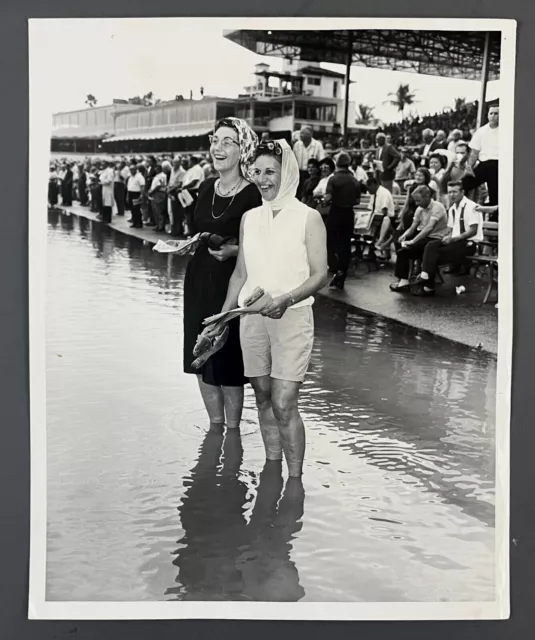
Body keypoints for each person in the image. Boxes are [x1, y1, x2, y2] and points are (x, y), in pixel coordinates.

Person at [220, 138, 329, 477]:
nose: (263, 179)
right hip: (251, 319)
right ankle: (272, 472)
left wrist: (286, 300)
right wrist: (222, 318)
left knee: (284, 402)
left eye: (271, 171)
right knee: (263, 397)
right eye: (257, 171)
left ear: (288, 173)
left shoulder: (308, 218)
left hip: (292, 316)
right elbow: (241, 273)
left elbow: (321, 274)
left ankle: (295, 481)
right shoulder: (250, 218)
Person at [183, 117, 261, 432]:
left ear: (243, 149)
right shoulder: (204, 187)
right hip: (199, 278)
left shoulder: (254, 194)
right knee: (199, 353)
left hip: (234, 282)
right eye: (215, 140)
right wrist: (190, 244)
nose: (218, 147)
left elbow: (264, 245)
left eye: (227, 141)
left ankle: (233, 431)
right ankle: (215, 428)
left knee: (228, 362)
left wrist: (235, 251)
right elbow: (199, 229)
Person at [411, 181, 483, 296]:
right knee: (431, 245)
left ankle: (427, 285)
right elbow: (451, 230)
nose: (451, 195)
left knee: (433, 255)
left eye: (454, 192)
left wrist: (453, 239)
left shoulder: (471, 206)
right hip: (456, 242)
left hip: (469, 244)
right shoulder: (453, 208)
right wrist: (447, 238)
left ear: (462, 192)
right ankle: (426, 277)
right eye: (449, 192)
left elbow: (473, 231)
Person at [389, 185, 449, 293]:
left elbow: (428, 228)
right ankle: (404, 282)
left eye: (418, 200)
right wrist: (405, 235)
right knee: (403, 251)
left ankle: (428, 286)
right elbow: (412, 227)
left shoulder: (437, 207)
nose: (416, 203)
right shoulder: (420, 209)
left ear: (427, 197)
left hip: (436, 239)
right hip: (424, 238)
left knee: (423, 248)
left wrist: (412, 241)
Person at [323, 151, 361, 289]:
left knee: (329, 241)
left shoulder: (333, 179)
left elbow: (327, 198)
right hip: (348, 213)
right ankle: (342, 272)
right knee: (345, 244)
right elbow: (357, 200)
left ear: (336, 163)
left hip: (336, 212)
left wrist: (323, 200)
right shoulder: (354, 180)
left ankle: (335, 268)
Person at [465, 104, 499, 206]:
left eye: (496, 113)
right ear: (487, 115)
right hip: (484, 165)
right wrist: (469, 167)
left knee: (495, 194)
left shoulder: (507, 130)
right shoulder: (481, 131)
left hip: (499, 165)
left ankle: (494, 214)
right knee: (463, 184)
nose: (493, 116)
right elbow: (474, 152)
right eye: (491, 113)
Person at [292, 126, 325, 199]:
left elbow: (322, 161)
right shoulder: (297, 145)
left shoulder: (318, 145)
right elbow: (293, 160)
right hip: (299, 174)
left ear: (310, 135)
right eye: (300, 133)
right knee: (298, 195)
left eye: (303, 133)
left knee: (309, 197)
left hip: (312, 176)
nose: (300, 135)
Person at [180, 155, 205, 237]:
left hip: (193, 192)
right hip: (187, 192)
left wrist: (184, 187)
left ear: (193, 161)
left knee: (192, 213)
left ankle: (194, 232)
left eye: (189, 162)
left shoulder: (197, 169)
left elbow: (194, 182)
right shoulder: (191, 169)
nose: (188, 163)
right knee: (187, 213)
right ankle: (191, 230)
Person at [167, 156, 186, 236]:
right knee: (171, 211)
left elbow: (180, 183)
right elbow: (171, 180)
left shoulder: (182, 171)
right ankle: (173, 229)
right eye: (174, 162)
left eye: (177, 162)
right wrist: (168, 188)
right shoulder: (172, 170)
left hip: (176, 192)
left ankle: (178, 230)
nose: (175, 164)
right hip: (171, 191)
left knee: (177, 212)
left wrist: (170, 190)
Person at [148, 164, 168, 232]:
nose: (155, 170)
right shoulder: (157, 176)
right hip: (155, 193)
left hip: (159, 193)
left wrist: (152, 191)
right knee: (155, 210)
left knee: (159, 210)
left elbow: (159, 186)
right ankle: (158, 225)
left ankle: (161, 226)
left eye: (157, 168)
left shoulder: (162, 175)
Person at [126, 163, 145, 228]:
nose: (131, 171)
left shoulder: (139, 176)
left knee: (136, 209)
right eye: (130, 169)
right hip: (131, 193)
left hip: (136, 193)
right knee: (132, 209)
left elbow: (142, 186)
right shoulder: (130, 177)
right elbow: (128, 187)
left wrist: (141, 195)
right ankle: (134, 222)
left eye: (133, 169)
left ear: (136, 169)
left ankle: (139, 223)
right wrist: (127, 196)